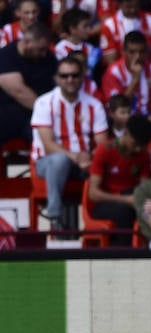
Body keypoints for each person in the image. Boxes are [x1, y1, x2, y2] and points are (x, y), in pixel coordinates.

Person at [31, 53, 109, 224]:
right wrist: (76, 157)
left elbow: (102, 143)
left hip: (84, 161)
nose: (70, 80)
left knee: (106, 160)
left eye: (74, 75)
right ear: (56, 79)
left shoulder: (94, 104)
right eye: (64, 76)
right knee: (60, 160)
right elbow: (48, 145)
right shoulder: (44, 103)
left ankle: (103, 222)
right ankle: (55, 218)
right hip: (48, 162)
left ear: (82, 77)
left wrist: (90, 158)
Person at [87, 112, 151, 243]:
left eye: (141, 146)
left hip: (132, 199)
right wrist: (125, 200)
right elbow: (93, 193)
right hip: (105, 203)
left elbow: (144, 187)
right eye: (135, 144)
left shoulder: (143, 155)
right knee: (123, 212)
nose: (137, 149)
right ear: (126, 133)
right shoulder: (105, 150)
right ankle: (125, 253)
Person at [0, 21, 56, 144]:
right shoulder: (6, 57)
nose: (43, 54)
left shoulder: (48, 58)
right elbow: (19, 92)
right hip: (9, 116)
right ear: (27, 42)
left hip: (36, 118)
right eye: (40, 49)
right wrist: (49, 113)